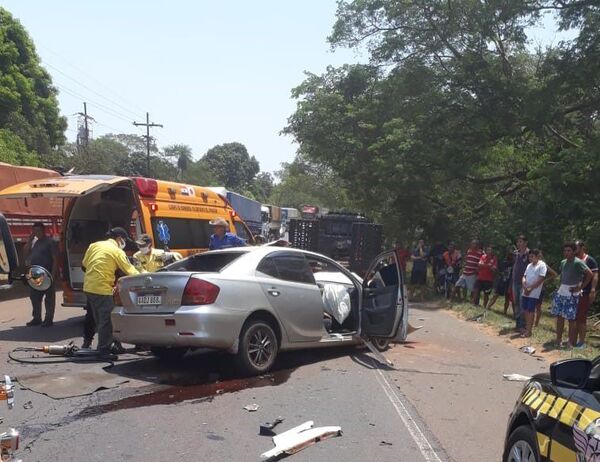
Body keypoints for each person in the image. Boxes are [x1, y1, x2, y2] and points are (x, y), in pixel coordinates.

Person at [82, 227, 139, 357]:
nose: (124, 243)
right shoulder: (116, 251)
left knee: (98, 319)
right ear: (119, 239)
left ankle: (108, 345)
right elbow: (130, 271)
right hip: (102, 289)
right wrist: (148, 276)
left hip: (89, 287)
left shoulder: (94, 245)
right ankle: (103, 350)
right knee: (106, 321)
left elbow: (84, 264)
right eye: (124, 240)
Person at [551, 242, 593, 348]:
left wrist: (580, 287)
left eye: (569, 250)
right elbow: (562, 276)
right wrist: (559, 287)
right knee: (559, 317)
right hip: (562, 291)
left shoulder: (578, 262)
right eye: (565, 251)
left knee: (571, 319)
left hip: (572, 293)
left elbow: (590, 274)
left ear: (574, 251)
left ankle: (570, 341)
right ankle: (558, 339)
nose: (566, 253)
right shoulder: (563, 262)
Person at [23, 222, 58, 327]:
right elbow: (25, 253)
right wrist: (29, 240)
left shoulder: (50, 242)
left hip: (47, 274)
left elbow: (55, 259)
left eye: (38, 230)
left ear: (43, 230)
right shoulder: (34, 242)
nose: (36, 233)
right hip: (35, 274)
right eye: (34, 231)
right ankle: (37, 318)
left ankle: (48, 319)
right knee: (34, 297)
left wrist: (53, 274)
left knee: (49, 299)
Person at [575, 240, 598, 348]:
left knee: (581, 317)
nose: (574, 249)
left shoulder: (590, 260)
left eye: (576, 247)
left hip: (585, 292)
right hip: (573, 292)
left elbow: (595, 276)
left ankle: (582, 341)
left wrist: (593, 290)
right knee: (573, 317)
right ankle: (573, 338)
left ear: (582, 247)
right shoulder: (573, 260)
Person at [521, 249, 547, 338]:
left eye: (532, 256)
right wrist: (524, 286)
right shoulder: (529, 265)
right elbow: (524, 276)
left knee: (530, 310)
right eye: (529, 257)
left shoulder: (542, 265)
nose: (530, 258)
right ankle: (527, 328)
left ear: (537, 257)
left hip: (534, 292)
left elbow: (541, 279)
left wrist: (530, 288)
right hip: (525, 291)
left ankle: (529, 331)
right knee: (525, 310)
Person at [487, 248, 514, 314]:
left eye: (511, 255)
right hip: (502, 281)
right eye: (509, 254)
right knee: (495, 295)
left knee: (507, 298)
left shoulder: (514, 263)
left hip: (509, 282)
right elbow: (498, 270)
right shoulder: (504, 262)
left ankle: (505, 312)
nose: (510, 256)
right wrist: (501, 273)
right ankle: (488, 307)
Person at [512, 235, 530, 331]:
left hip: (524, 282)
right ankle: (518, 324)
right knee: (516, 303)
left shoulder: (529, 254)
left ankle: (523, 325)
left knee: (522, 303)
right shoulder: (515, 253)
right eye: (517, 242)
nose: (518, 243)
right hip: (515, 281)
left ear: (525, 243)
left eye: (520, 241)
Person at [474, 245, 497, 309]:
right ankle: (475, 304)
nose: (489, 251)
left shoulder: (494, 258)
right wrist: (488, 266)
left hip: (488, 279)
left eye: (490, 250)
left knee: (486, 294)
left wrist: (484, 266)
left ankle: (484, 306)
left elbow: (494, 269)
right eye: (488, 250)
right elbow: (479, 264)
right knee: (476, 290)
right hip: (480, 277)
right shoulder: (483, 256)